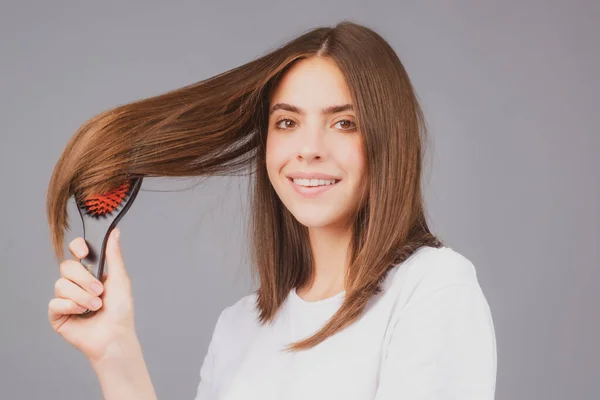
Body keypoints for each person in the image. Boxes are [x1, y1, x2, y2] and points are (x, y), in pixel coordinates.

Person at [47, 21, 497, 399]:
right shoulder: (240, 327)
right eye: (288, 122)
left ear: (389, 139)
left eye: (344, 123)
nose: (308, 150)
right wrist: (115, 353)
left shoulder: (431, 288)